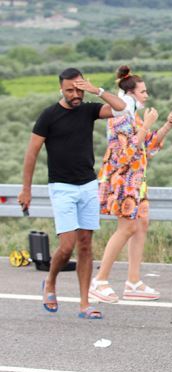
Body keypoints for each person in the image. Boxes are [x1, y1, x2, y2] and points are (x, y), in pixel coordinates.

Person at [17, 68, 127, 319]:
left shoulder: (88, 109)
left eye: (78, 89)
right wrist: (26, 189)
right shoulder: (49, 116)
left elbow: (122, 109)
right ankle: (51, 282)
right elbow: (31, 154)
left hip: (88, 185)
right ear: (61, 90)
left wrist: (97, 90)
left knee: (86, 245)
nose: (75, 94)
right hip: (62, 187)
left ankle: (85, 304)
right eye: (70, 90)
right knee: (67, 246)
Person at [88, 66, 172, 303]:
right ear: (131, 93)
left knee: (141, 225)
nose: (146, 95)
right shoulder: (119, 118)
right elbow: (125, 154)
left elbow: (149, 145)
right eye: (143, 91)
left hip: (136, 180)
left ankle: (133, 282)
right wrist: (147, 125)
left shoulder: (133, 117)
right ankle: (99, 281)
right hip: (123, 179)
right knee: (126, 227)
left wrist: (166, 125)